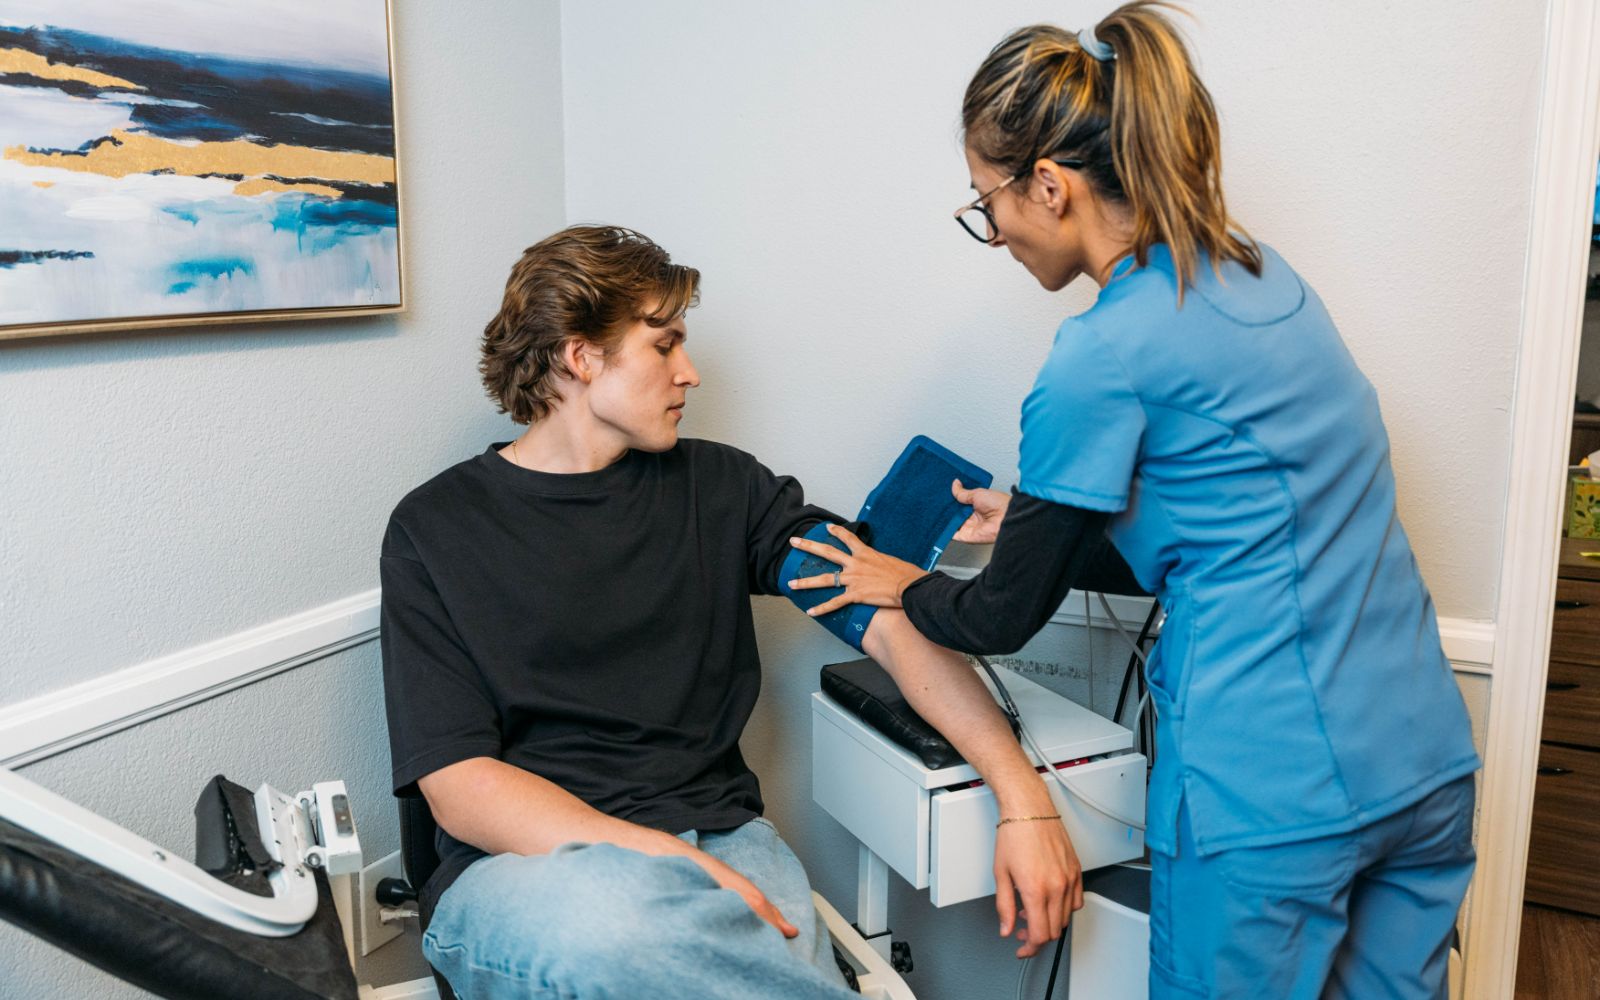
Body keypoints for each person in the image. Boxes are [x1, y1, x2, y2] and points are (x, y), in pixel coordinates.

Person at [787, 5, 1481, 999]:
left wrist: (902, 584)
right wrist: (1049, 526)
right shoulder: (1262, 274)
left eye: (988, 203)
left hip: (1270, 797)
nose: (995, 232)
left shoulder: (1098, 355)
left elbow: (996, 617)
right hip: (1420, 762)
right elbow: (1247, 523)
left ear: (1050, 185)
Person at [379, 225, 1079, 1000]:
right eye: (664, 345)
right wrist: (664, 860)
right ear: (581, 357)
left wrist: (1025, 802)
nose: (690, 372)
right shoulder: (435, 529)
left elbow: (887, 621)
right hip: (526, 868)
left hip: (720, 837)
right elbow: (461, 787)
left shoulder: (726, 491)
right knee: (622, 937)